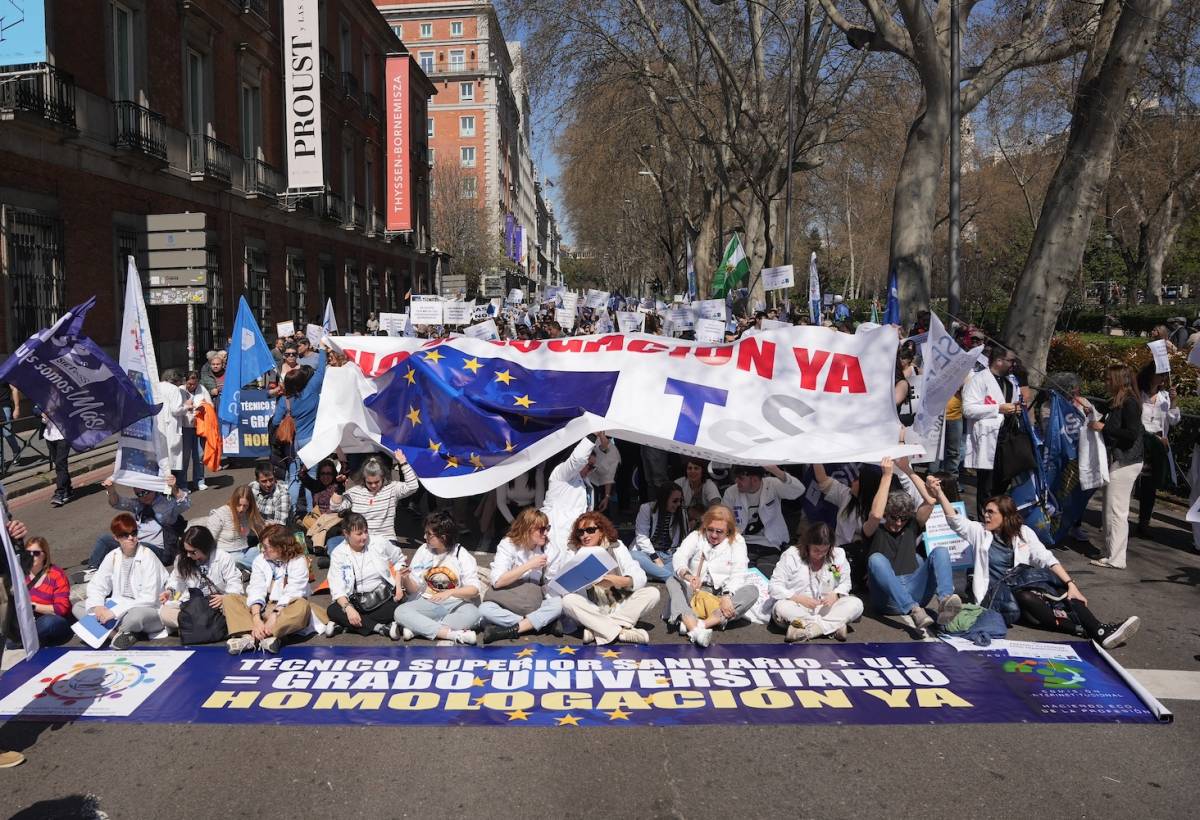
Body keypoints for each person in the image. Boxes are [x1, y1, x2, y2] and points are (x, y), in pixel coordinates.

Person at [929, 478, 1140, 648]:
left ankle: (1099, 630)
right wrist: (939, 494)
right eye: (985, 511)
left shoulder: (1024, 533)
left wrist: (1071, 584)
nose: (985, 515)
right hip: (996, 598)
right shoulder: (979, 532)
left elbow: (1046, 559)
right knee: (1026, 596)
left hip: (1022, 588)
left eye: (991, 512)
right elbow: (955, 520)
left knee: (1064, 592)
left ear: (1005, 516)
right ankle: (1088, 629)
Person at [862, 457, 960, 636]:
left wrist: (908, 469)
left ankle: (945, 600)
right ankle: (913, 609)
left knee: (940, 551)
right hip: (887, 598)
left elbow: (930, 501)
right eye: (894, 517)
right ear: (886, 514)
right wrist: (886, 476)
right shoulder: (874, 530)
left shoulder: (912, 525)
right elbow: (875, 515)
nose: (898, 523)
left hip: (915, 588)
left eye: (903, 518)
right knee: (876, 559)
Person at [556, 511, 658, 645]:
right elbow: (563, 582)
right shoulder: (572, 551)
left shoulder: (616, 545)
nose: (585, 535)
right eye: (581, 532)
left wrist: (626, 580)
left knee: (653, 593)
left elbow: (636, 570)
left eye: (590, 530)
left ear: (601, 531)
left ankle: (598, 629)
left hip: (618, 601)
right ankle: (621, 632)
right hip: (591, 606)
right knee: (568, 601)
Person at [667, 504, 758, 648]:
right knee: (672, 580)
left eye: (719, 531)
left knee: (752, 591)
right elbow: (679, 557)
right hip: (695, 592)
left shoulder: (737, 540)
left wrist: (727, 595)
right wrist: (689, 576)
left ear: (728, 530)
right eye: (710, 530)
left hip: (721, 596)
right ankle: (695, 628)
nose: (714, 535)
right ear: (705, 526)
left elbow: (739, 573)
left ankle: (700, 624)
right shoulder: (696, 536)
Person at [74, 513, 170, 649]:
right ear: (116, 537)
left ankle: (107, 630)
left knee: (135, 617)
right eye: (125, 535)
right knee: (78, 607)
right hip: (117, 606)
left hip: (146, 609)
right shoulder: (112, 556)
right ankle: (117, 635)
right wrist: (98, 606)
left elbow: (149, 598)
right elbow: (97, 585)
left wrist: (114, 612)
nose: (131, 538)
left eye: (134, 533)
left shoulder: (147, 555)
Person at [392, 510, 481, 644]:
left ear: (443, 537)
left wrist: (450, 592)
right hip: (428, 602)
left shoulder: (461, 554)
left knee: (474, 614)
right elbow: (413, 589)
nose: (424, 537)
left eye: (429, 534)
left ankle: (418, 628)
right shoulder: (424, 550)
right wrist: (406, 578)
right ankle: (453, 634)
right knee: (400, 611)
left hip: (456, 603)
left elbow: (474, 590)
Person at [477, 508, 563, 644]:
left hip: (534, 600)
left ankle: (510, 630)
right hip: (508, 598)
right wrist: (528, 565)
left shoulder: (551, 549)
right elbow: (497, 581)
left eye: (547, 528)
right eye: (541, 529)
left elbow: (550, 583)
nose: (546, 533)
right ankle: (540, 624)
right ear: (527, 529)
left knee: (558, 604)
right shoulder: (508, 544)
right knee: (484, 610)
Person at [1088, 364, 1145, 570]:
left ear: (1118, 381)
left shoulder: (1129, 403)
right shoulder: (1117, 402)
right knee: (1110, 509)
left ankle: (1116, 558)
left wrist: (1104, 427)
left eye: (1108, 379)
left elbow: (1131, 433)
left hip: (1127, 461)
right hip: (1120, 460)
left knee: (1116, 511)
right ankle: (1110, 552)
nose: (1105, 383)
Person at [224, 525, 315, 654]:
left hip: (284, 610)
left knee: (302, 605)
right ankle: (255, 636)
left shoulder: (298, 561)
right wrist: (256, 618)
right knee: (230, 598)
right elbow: (256, 588)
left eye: (266, 547)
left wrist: (274, 615)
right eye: (262, 546)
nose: (262, 550)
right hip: (262, 607)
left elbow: (293, 592)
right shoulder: (260, 560)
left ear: (281, 547)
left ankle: (259, 635)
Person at [769, 522, 863, 642]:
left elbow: (845, 583)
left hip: (826, 608)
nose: (820, 554)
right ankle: (833, 626)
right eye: (816, 550)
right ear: (807, 545)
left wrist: (836, 594)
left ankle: (809, 630)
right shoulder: (792, 556)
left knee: (856, 603)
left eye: (825, 550)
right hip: (797, 607)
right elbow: (774, 586)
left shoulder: (836, 557)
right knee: (781, 608)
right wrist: (798, 598)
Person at [324, 512, 406, 639]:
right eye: (359, 534)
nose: (364, 536)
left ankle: (346, 625)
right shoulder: (338, 553)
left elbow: (400, 560)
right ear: (346, 534)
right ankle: (380, 628)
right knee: (332, 610)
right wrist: (349, 609)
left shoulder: (379, 542)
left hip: (382, 598)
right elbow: (336, 587)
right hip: (353, 602)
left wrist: (399, 587)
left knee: (399, 608)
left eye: (366, 532)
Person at [963, 347, 1023, 518]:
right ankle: (985, 521)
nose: (1013, 364)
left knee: (1003, 482)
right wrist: (998, 408)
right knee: (987, 486)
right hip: (988, 439)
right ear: (998, 361)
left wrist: (1017, 410)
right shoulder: (979, 379)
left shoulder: (1011, 382)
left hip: (1008, 438)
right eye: (1011, 361)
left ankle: (998, 519)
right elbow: (968, 409)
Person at [90, 476, 190, 568]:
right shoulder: (138, 504)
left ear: (153, 489)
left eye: (145, 492)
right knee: (105, 539)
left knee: (139, 547)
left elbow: (185, 504)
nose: (143, 496)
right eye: (139, 494)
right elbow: (117, 503)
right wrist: (111, 489)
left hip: (159, 551)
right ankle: (92, 569)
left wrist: (174, 488)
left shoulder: (166, 504)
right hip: (136, 545)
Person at [158, 525, 244, 633]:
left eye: (193, 552)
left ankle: (196, 627)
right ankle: (210, 626)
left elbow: (234, 582)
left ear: (204, 547)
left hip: (217, 605)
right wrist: (170, 591)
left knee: (234, 607)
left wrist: (225, 598)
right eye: (186, 551)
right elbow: (176, 580)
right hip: (194, 607)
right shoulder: (182, 560)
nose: (188, 555)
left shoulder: (223, 557)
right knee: (165, 613)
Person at [272, 347, 328, 511]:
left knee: (294, 477)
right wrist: (322, 349)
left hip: (294, 443)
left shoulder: (285, 400)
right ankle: (312, 512)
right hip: (311, 441)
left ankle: (291, 512)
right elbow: (321, 370)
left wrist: (287, 420)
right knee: (311, 477)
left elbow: (275, 421)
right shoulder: (311, 390)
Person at [720, 464, 804, 568]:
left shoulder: (772, 485)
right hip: (742, 543)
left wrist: (776, 471)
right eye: (736, 477)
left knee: (765, 574)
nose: (736, 481)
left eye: (741, 478)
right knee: (742, 572)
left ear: (754, 480)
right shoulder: (731, 492)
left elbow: (799, 490)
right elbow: (722, 519)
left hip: (770, 544)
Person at [332, 452, 419, 545]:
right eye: (369, 482)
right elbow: (335, 507)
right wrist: (339, 488)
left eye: (377, 482)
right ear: (364, 479)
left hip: (385, 540)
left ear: (383, 478)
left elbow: (413, 486)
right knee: (332, 543)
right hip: (360, 539)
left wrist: (403, 463)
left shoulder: (392, 489)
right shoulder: (355, 492)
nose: (373, 485)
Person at [542, 433, 607, 555]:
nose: (590, 470)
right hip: (558, 534)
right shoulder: (562, 473)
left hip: (578, 536)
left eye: (593, 467)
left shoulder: (586, 482)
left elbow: (604, 459)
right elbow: (577, 460)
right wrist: (592, 436)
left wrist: (604, 443)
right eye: (589, 466)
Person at [1135, 363, 1179, 538]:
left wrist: (1174, 401)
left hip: (1157, 444)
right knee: (1130, 480)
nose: (1163, 378)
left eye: (1164, 375)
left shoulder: (1165, 397)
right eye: (1160, 374)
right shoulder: (1139, 394)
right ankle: (1115, 519)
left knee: (1150, 486)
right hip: (1139, 442)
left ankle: (1144, 523)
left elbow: (1173, 420)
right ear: (1150, 375)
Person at [16, 536, 72, 646]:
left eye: (36, 553)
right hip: (29, 622)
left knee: (48, 622)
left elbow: (61, 609)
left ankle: (22, 642)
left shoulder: (56, 575)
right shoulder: (20, 574)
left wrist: (32, 606)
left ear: (45, 555)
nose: (31, 556)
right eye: (28, 553)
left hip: (56, 623)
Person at [630, 483, 687, 582]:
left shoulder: (681, 512)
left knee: (686, 561)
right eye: (675, 501)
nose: (678, 504)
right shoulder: (647, 508)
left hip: (669, 555)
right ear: (664, 499)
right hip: (648, 554)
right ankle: (669, 577)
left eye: (680, 501)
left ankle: (654, 574)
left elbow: (682, 541)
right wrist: (656, 558)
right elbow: (641, 538)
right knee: (633, 556)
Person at [207, 485, 266, 570]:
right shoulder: (220, 514)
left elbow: (257, 531)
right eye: (238, 505)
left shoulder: (247, 514)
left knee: (259, 551)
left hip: (244, 551)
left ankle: (245, 566)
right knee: (236, 559)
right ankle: (252, 565)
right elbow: (209, 540)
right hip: (226, 554)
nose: (241, 509)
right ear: (233, 501)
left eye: (245, 506)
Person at [179, 370, 212, 491]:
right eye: (189, 384)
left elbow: (210, 405)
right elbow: (176, 408)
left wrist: (204, 407)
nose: (192, 386)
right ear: (185, 381)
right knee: (185, 457)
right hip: (185, 427)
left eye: (195, 384)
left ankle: (199, 480)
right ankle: (182, 483)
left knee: (199, 455)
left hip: (199, 427)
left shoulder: (202, 389)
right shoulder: (180, 390)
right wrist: (186, 407)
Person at [675, 457, 721, 526]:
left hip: (707, 522)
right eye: (689, 468)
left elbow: (716, 507)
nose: (692, 471)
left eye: (696, 468)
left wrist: (697, 521)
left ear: (702, 471)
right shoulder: (679, 483)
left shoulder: (709, 484)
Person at [250, 461, 292, 527]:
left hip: (273, 529)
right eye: (264, 481)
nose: (268, 484)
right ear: (257, 480)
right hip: (255, 526)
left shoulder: (283, 494)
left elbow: (279, 526)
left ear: (275, 477)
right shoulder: (252, 487)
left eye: (271, 479)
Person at [42, 414, 72, 508]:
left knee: (60, 464)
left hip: (64, 436)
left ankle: (60, 493)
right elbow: (35, 410)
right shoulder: (45, 403)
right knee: (59, 464)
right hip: (49, 436)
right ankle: (68, 489)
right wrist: (41, 413)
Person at [588, 434, 621, 514]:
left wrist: (606, 496)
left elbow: (608, 476)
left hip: (596, 481)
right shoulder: (589, 443)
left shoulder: (613, 456)